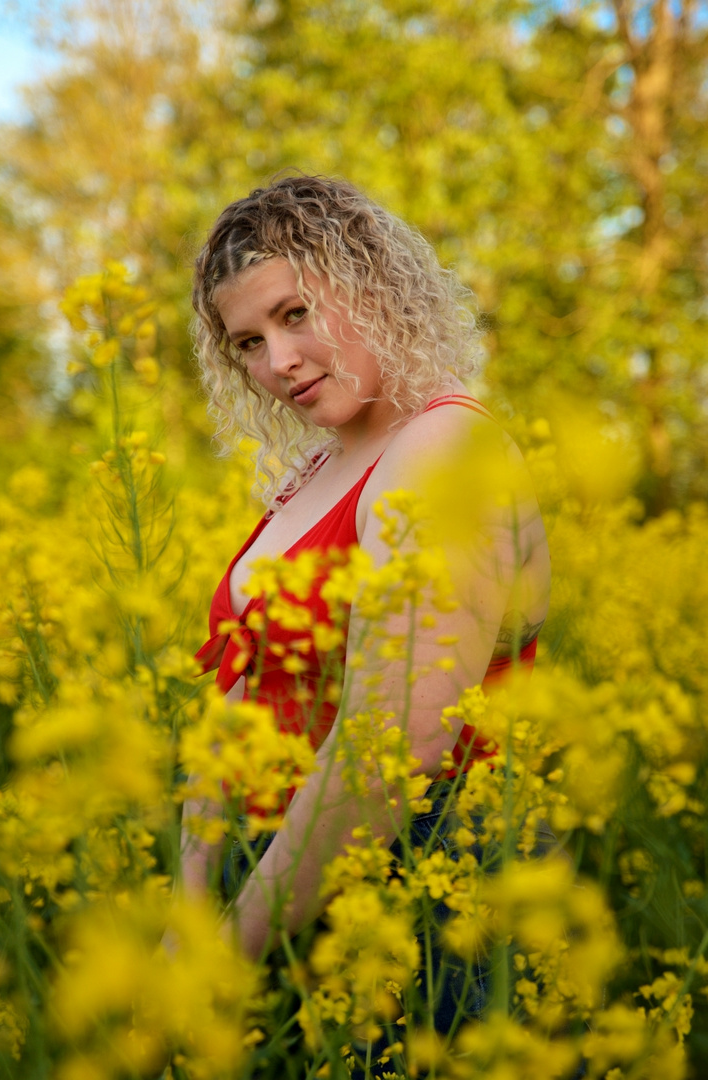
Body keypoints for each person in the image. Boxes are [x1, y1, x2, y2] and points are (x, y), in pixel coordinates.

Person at [183, 174, 551, 1062]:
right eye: (247, 343)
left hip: (415, 891)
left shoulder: (445, 445)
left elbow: (398, 745)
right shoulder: (317, 469)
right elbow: (241, 691)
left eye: (297, 312)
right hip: (269, 887)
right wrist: (191, 906)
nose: (279, 362)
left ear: (374, 283)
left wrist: (225, 952)